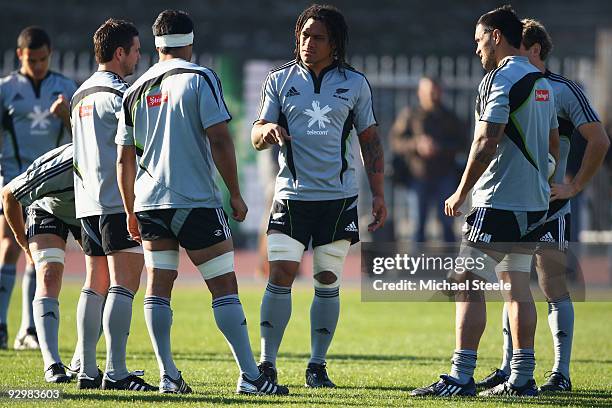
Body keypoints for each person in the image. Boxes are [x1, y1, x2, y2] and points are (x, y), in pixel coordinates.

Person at [116, 9, 288, 395]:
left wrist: (129, 208)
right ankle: (250, 376)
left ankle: (167, 376)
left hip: (148, 202)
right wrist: (237, 194)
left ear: (156, 44)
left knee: (158, 286)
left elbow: (124, 158)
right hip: (194, 200)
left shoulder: (134, 89)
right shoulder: (200, 77)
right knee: (224, 285)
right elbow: (220, 139)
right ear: (190, 43)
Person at [411, 6, 559, 397]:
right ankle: (523, 378)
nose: (476, 49)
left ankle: (461, 376)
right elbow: (552, 142)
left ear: (495, 36)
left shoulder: (501, 77)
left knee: (465, 280)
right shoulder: (539, 79)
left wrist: (461, 191)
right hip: (532, 203)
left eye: (479, 40)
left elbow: (487, 139)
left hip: (498, 200)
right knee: (516, 285)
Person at [251, 4, 386, 388]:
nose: (308, 42)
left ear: (335, 43)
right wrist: (268, 131)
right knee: (280, 274)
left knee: (327, 279)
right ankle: (267, 365)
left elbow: (370, 142)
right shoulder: (279, 80)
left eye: (318, 37)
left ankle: (317, 365)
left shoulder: (355, 84)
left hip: (338, 199)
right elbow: (256, 134)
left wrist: (377, 195)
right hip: (291, 196)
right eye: (304, 34)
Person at [476, 18, 610, 393]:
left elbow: (599, 139)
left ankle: (561, 373)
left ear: (533, 49)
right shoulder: (511, 83)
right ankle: (509, 369)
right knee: (511, 281)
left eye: (519, 48)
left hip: (551, 205)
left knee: (552, 285)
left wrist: (574, 186)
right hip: (513, 198)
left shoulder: (563, 89)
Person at [71, 18, 157, 391]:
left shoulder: (80, 94)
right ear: (120, 52)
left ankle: (88, 369)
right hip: (118, 202)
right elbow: (136, 149)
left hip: (87, 202)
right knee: (124, 284)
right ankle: (116, 371)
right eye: (136, 50)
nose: (139, 56)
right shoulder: (123, 94)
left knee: (94, 284)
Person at [0, 26, 76, 350]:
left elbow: (82, 135)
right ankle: (1, 325)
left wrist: (67, 115)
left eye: (44, 59)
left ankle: (28, 330)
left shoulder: (66, 87)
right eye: (33, 59)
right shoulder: (5, 90)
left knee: (39, 256)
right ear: (20, 55)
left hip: (48, 183)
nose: (39, 64)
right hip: (13, 177)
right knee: (8, 246)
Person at [1, 144, 80, 383]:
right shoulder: (63, 164)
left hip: (89, 211)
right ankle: (52, 363)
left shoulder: (122, 159)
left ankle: (81, 359)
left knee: (107, 277)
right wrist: (24, 245)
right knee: (48, 274)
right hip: (48, 208)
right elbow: (9, 194)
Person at [389, 76, 466, 242]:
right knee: (418, 226)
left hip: (445, 176)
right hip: (418, 177)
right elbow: (396, 141)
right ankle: (418, 266)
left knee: (447, 225)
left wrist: (440, 148)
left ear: (440, 92)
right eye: (428, 91)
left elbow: (463, 143)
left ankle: (450, 264)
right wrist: (416, 144)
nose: (432, 95)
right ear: (420, 92)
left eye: (435, 91)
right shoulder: (410, 115)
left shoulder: (450, 117)